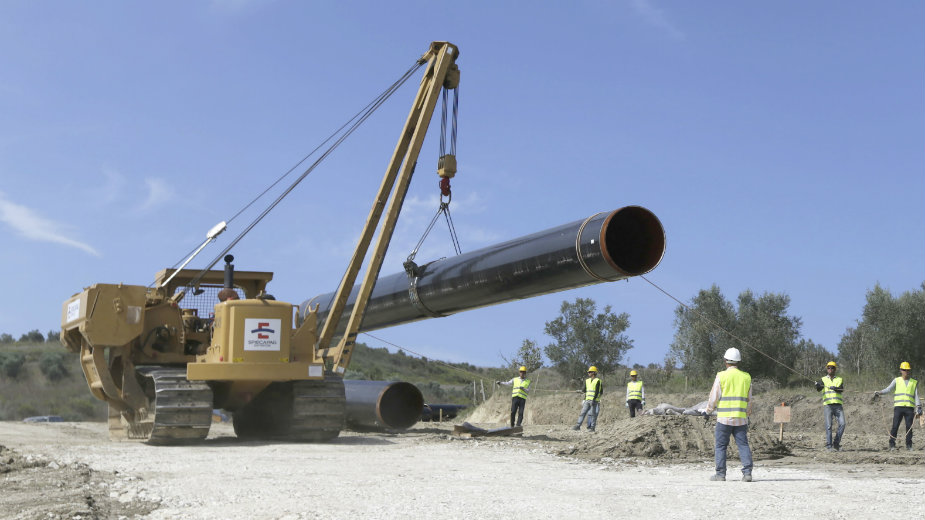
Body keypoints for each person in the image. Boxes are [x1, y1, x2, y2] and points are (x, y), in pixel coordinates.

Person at [705, 348, 753, 482]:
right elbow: (749, 398)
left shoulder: (721, 376)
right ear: (739, 361)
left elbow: (714, 396)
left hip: (724, 419)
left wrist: (708, 411)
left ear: (726, 361)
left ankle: (720, 474)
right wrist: (748, 412)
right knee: (743, 445)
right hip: (741, 419)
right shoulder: (746, 377)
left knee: (721, 446)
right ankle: (747, 473)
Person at [872, 361, 922, 451]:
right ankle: (892, 444)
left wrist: (918, 406)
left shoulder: (913, 382)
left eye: (907, 370)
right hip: (898, 407)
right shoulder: (897, 380)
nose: (906, 371)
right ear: (901, 370)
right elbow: (888, 389)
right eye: (904, 370)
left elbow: (916, 395)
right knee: (895, 426)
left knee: (909, 427)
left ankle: (909, 445)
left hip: (909, 408)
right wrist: (880, 392)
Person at [814, 361, 846, 451]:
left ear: (835, 369)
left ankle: (836, 444)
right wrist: (817, 385)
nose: (830, 369)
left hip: (838, 405)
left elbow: (841, 389)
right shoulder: (823, 379)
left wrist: (835, 388)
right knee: (828, 426)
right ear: (827, 369)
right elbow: (819, 389)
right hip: (828, 405)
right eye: (828, 367)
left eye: (832, 367)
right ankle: (829, 446)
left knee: (843, 424)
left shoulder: (839, 379)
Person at [572, 366, 603, 431]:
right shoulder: (587, 381)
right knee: (582, 413)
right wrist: (579, 391)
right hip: (587, 400)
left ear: (594, 373)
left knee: (593, 414)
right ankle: (578, 426)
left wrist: (594, 400)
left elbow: (599, 392)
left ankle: (592, 427)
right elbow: (584, 390)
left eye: (590, 372)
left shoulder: (598, 381)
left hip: (593, 401)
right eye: (588, 372)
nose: (588, 373)